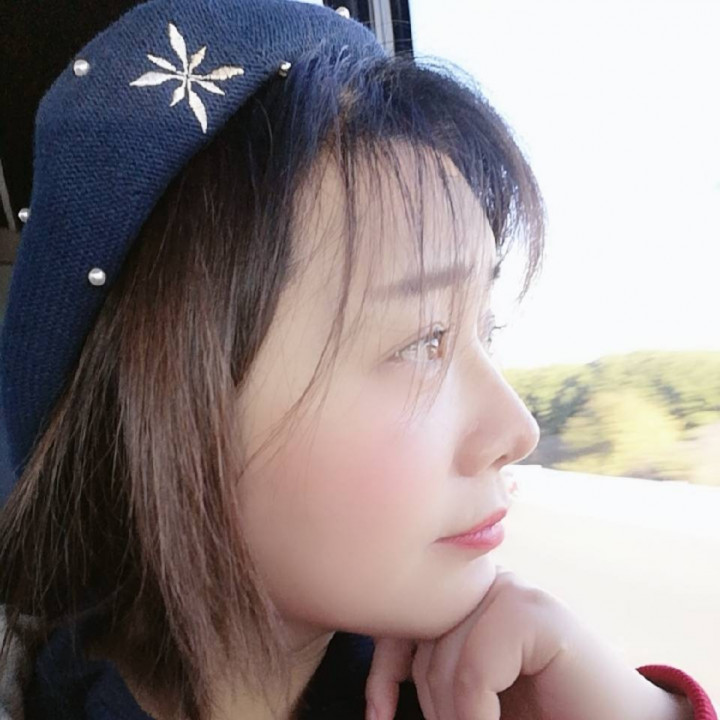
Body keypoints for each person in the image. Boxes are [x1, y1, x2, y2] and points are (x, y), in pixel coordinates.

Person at [0, 1, 716, 719]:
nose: (518, 430)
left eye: (485, 331)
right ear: (166, 406)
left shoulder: (479, 692)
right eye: (423, 341)